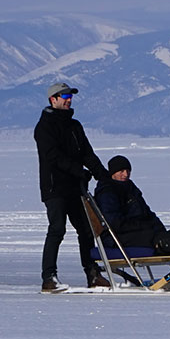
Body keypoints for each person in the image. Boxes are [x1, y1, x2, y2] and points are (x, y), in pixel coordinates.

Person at [34, 82, 110, 292]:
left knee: (86, 231)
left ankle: (92, 274)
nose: (68, 100)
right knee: (57, 230)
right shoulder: (44, 127)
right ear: (53, 99)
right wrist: (79, 171)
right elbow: (54, 157)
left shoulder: (75, 126)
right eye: (64, 96)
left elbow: (87, 153)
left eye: (70, 96)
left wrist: (102, 175)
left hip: (76, 187)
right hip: (55, 188)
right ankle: (49, 278)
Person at [94, 155, 170, 266]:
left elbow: (147, 213)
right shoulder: (107, 192)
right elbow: (114, 222)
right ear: (113, 173)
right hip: (117, 238)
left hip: (137, 232)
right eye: (121, 171)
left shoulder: (130, 188)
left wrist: (158, 227)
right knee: (160, 241)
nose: (126, 174)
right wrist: (144, 226)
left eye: (128, 171)